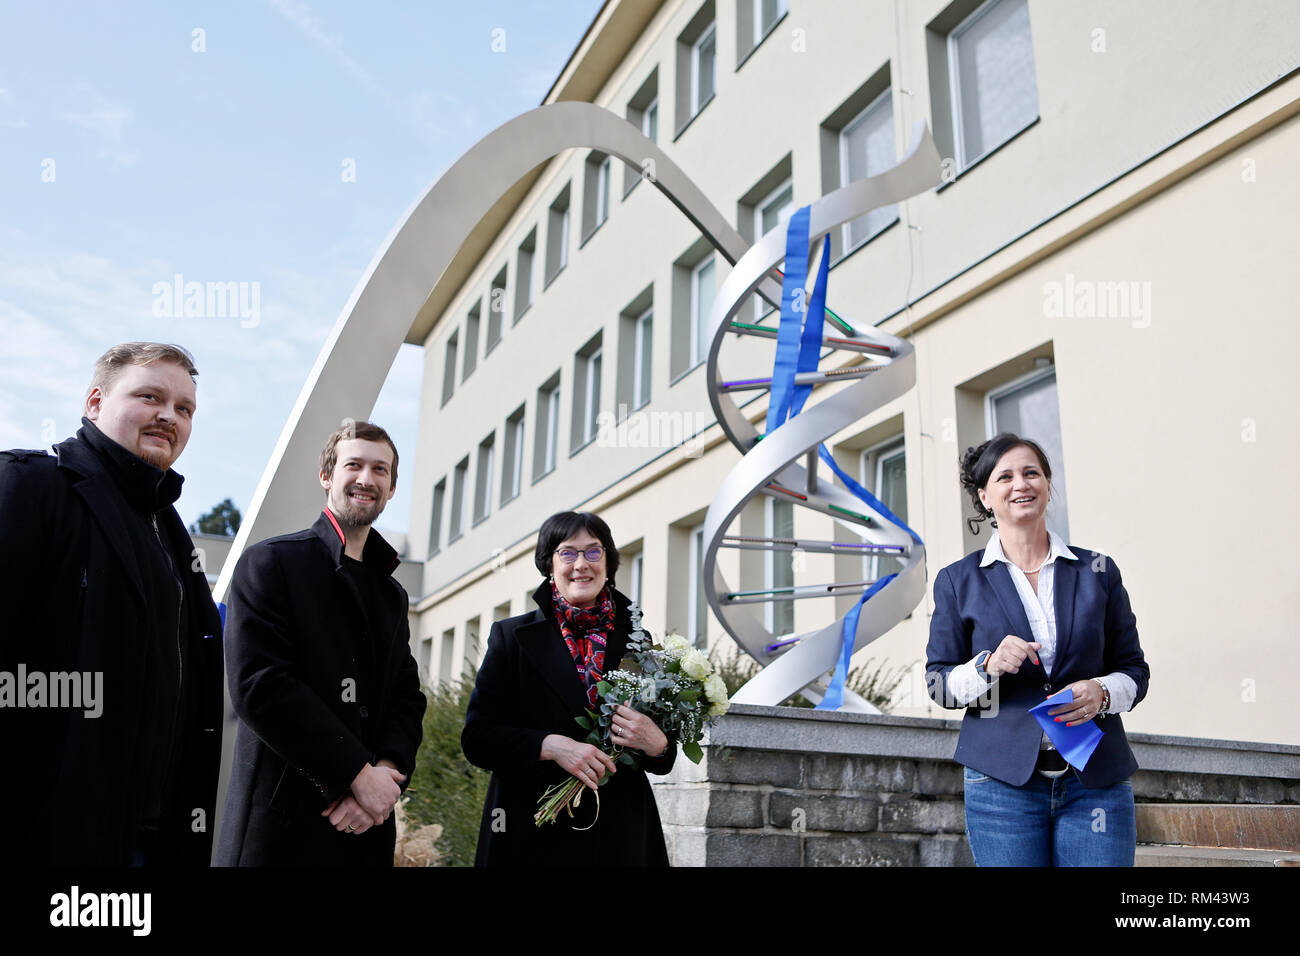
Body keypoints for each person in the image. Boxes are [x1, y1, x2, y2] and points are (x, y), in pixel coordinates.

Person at [0, 342, 224, 866]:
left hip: (149, 837)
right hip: (47, 835)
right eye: (150, 397)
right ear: (95, 402)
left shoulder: (172, 538)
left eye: (184, 409)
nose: (169, 416)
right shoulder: (28, 485)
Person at [925, 433, 1150, 866]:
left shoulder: (1097, 571)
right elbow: (940, 684)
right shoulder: (958, 580)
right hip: (1001, 786)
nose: (1021, 484)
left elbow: (1134, 671)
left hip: (1095, 780)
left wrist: (1102, 692)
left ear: (1047, 485)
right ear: (985, 497)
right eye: (1004, 476)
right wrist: (987, 666)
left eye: (1032, 473)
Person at [216, 421, 425, 866]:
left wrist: (384, 776)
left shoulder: (392, 594)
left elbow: (406, 698)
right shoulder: (271, 562)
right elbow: (261, 687)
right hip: (278, 832)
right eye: (354, 465)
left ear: (391, 489)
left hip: (365, 829)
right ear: (327, 476)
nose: (367, 479)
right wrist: (354, 774)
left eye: (380, 470)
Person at [462, 511, 677, 866]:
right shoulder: (511, 638)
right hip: (530, 833)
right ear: (549, 564)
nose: (581, 564)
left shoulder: (639, 642)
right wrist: (550, 746)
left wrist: (659, 744)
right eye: (568, 552)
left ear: (608, 563)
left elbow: (661, 756)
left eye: (594, 552)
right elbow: (478, 739)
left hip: (621, 834)